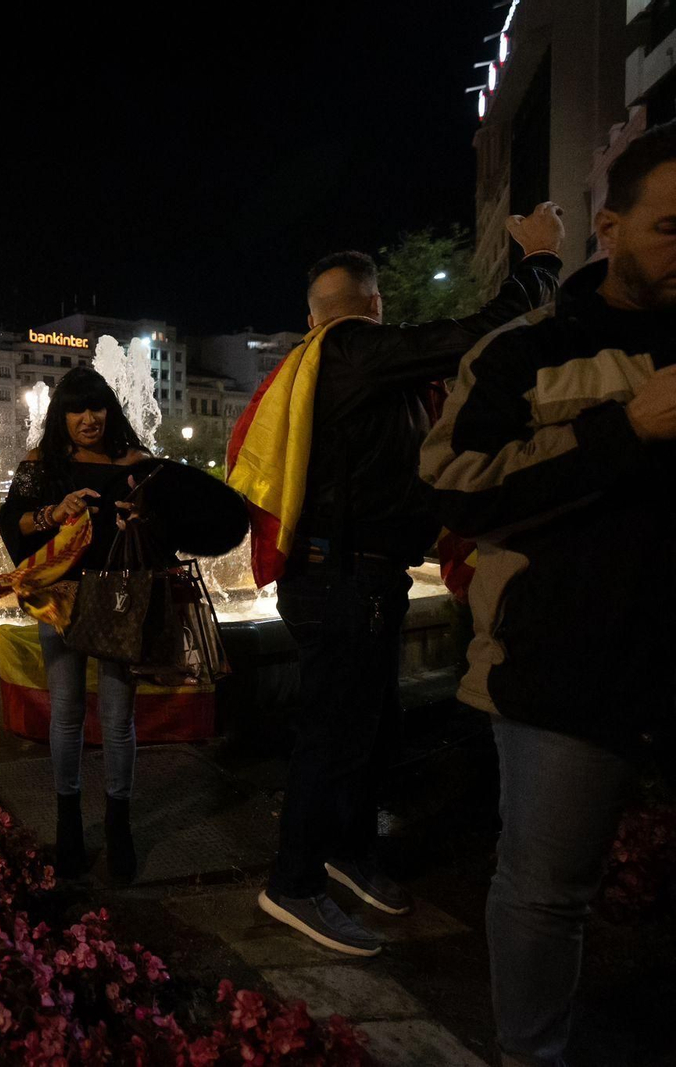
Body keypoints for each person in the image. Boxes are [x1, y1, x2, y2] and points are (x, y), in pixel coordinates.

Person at [421, 121, 676, 1067]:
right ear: (607, 227)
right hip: (566, 668)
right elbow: (454, 487)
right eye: (672, 229)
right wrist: (622, 432)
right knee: (542, 891)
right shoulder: (523, 354)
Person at [249, 201, 567, 958]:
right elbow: (477, 336)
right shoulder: (355, 347)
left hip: (359, 575)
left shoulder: (339, 363)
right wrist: (540, 262)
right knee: (333, 734)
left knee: (368, 727)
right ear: (372, 304)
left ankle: (348, 857)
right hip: (342, 579)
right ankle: (292, 882)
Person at [0, 368, 152, 883]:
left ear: (110, 410)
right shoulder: (43, 465)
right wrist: (51, 514)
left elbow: (167, 528)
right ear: (60, 415)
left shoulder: (135, 462)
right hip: (61, 597)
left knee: (118, 716)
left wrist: (142, 518)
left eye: (98, 407)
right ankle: (68, 827)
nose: (89, 419)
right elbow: (12, 521)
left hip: (119, 599)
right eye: (77, 409)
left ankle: (120, 827)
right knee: (65, 711)